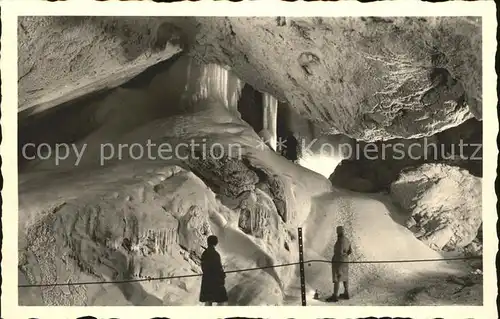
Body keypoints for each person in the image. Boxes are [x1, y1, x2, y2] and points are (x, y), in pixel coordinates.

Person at [199, 235, 228, 306]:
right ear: (215, 243)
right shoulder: (215, 254)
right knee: (222, 300)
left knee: (208, 301)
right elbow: (218, 268)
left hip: (206, 280)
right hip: (215, 281)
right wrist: (222, 275)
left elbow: (204, 267)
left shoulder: (204, 253)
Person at [326, 226, 352, 302]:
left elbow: (339, 252)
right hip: (345, 261)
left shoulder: (340, 241)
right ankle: (346, 293)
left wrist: (336, 259)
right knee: (345, 277)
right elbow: (350, 251)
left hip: (338, 262)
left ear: (338, 232)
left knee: (337, 278)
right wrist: (345, 255)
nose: (337, 233)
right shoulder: (347, 240)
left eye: (337, 232)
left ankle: (335, 296)